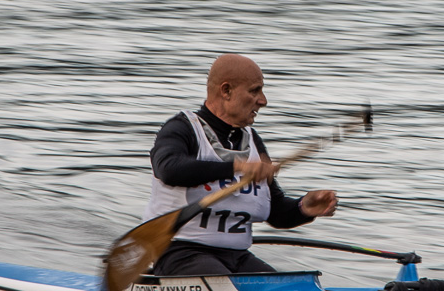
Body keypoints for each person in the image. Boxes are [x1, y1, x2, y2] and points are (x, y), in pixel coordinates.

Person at [143, 54, 339, 276]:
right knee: (226, 284)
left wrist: (303, 208)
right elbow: (169, 169)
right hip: (180, 253)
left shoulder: (252, 141)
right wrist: (236, 167)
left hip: (237, 256)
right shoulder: (182, 129)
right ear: (226, 91)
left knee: (283, 288)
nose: (263, 100)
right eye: (255, 91)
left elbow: (275, 212)